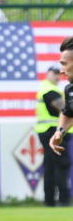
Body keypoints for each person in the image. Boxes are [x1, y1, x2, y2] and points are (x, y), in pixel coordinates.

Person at [35, 66, 70, 206]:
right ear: (47, 74)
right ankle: (63, 199)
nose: (57, 76)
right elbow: (64, 108)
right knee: (61, 165)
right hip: (54, 132)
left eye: (58, 74)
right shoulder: (50, 90)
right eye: (54, 73)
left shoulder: (46, 88)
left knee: (50, 166)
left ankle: (49, 201)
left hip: (47, 131)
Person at [50, 37, 73, 172]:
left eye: (64, 64)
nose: (61, 70)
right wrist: (59, 132)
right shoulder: (70, 89)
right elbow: (68, 113)